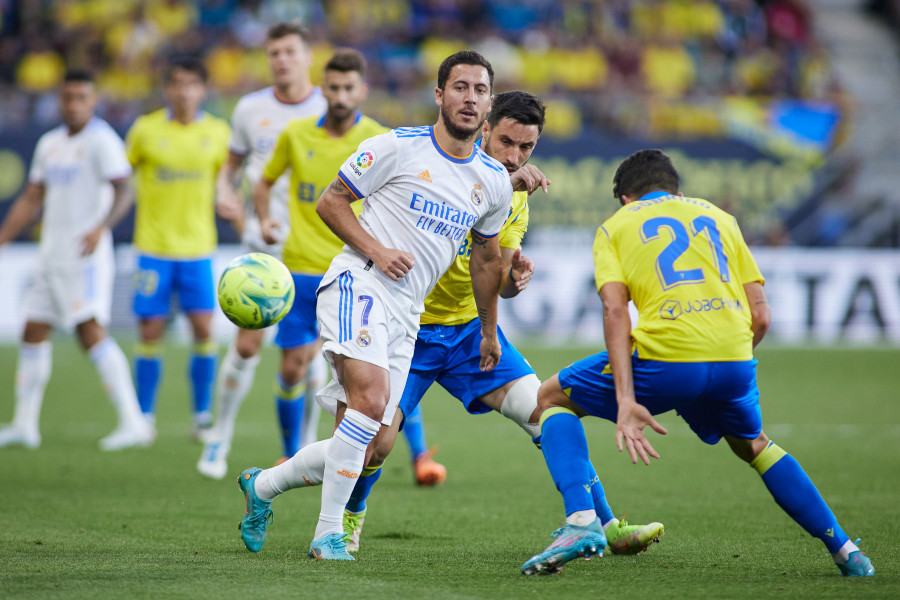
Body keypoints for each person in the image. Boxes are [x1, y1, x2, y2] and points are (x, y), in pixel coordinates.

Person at [336, 90, 664, 556]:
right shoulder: (450, 170)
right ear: (484, 128)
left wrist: (515, 278)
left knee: (548, 412)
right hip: (405, 327)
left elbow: (496, 274)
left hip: (469, 332)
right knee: (378, 445)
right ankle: (349, 518)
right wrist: (502, 185)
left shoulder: (516, 198)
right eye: (506, 141)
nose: (514, 156)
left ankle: (607, 525)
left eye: (526, 148)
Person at [520, 149, 875, 577]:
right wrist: (719, 369)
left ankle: (581, 521)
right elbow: (761, 316)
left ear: (626, 199)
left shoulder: (615, 227)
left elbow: (616, 312)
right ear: (677, 191)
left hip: (666, 358)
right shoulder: (720, 218)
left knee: (550, 396)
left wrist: (627, 398)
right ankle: (847, 550)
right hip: (733, 357)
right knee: (755, 445)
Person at [236, 50, 513, 561]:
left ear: (490, 102)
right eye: (460, 87)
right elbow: (330, 201)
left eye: (479, 90)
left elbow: (485, 260)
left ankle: (263, 487)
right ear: (439, 95)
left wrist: (489, 330)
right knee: (368, 403)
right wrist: (377, 250)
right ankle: (326, 535)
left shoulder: (493, 182)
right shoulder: (397, 147)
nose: (469, 98)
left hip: (408, 310)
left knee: (372, 447)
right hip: (358, 282)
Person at [196, 22, 327, 479]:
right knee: (248, 344)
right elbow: (231, 166)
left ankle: (300, 448)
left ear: (308, 56)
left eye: (290, 51)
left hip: (313, 248)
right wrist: (224, 192)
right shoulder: (250, 109)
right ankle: (219, 437)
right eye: (274, 52)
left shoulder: (329, 109)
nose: (281, 60)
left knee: (306, 357)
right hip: (263, 247)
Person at [0, 70, 153, 451]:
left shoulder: (102, 141)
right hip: (51, 255)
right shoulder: (50, 143)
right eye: (67, 97)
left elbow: (125, 189)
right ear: (60, 100)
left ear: (93, 100)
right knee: (33, 331)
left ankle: (134, 422)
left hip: (84, 257)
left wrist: (100, 226)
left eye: (81, 97)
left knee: (90, 333)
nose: (73, 104)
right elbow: (32, 196)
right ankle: (24, 425)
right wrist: (4, 237)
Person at [126, 57, 233, 440]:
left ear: (202, 89)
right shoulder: (145, 129)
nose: (183, 90)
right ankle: (142, 418)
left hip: (198, 249)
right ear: (167, 88)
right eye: (177, 83)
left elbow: (227, 183)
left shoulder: (219, 132)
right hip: (152, 248)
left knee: (203, 329)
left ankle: (201, 417)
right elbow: (123, 180)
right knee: (149, 330)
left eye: (191, 83)